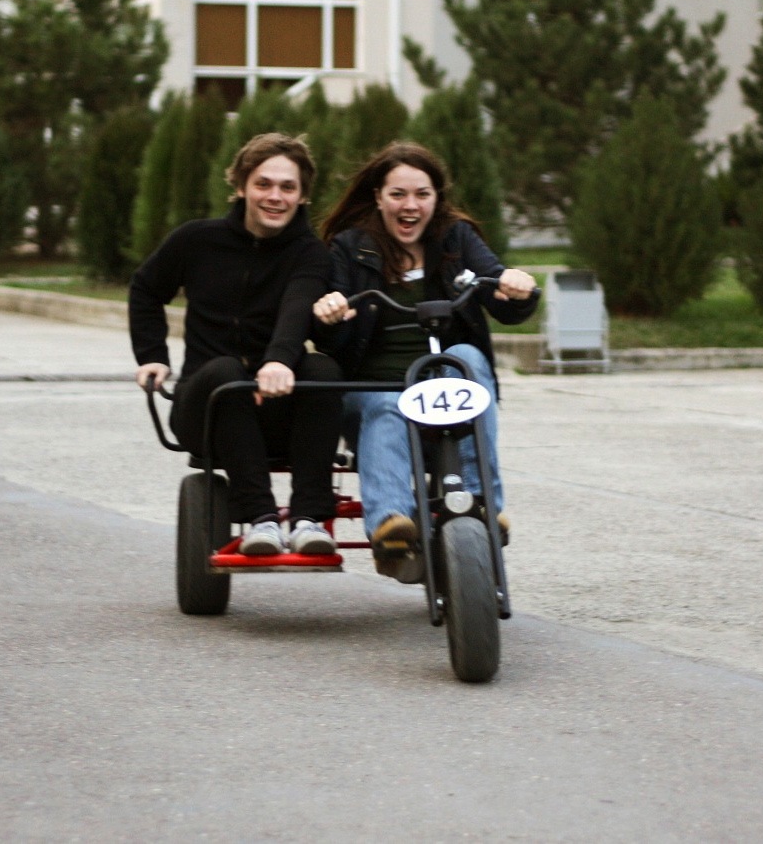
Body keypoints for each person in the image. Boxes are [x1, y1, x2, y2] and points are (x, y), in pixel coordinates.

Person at [314, 141, 538, 583]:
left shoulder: (456, 238)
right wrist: (330, 314)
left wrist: (516, 288)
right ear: (379, 197)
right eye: (398, 194)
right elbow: (330, 339)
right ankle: (392, 526)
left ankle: (479, 503)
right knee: (387, 403)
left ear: (437, 198)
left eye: (422, 194)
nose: (410, 205)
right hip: (373, 391)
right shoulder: (350, 247)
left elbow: (499, 293)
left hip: (443, 388)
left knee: (468, 357)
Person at [129, 132, 342, 556]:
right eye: (263, 184)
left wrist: (278, 361)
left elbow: (298, 306)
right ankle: (261, 519)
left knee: (323, 370)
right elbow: (146, 289)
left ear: (302, 196)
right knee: (226, 372)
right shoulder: (196, 240)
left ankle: (308, 519)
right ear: (241, 186)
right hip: (206, 409)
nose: (275, 196)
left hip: (277, 410)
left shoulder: (311, 254)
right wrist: (153, 356)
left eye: (288, 187)